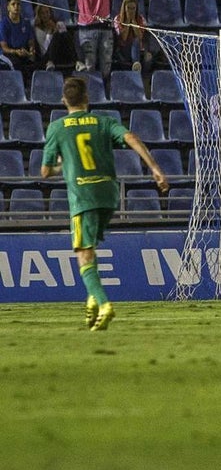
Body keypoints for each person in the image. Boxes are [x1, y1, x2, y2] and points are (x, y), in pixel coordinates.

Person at [40, 76, 169, 329]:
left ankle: (103, 303)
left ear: (63, 100)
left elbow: (45, 172)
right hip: (109, 196)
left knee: (83, 254)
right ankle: (91, 301)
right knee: (91, 248)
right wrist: (154, 168)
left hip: (83, 197)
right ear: (87, 98)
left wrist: (62, 166)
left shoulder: (57, 128)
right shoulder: (103, 122)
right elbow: (131, 137)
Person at [69, 0, 115, 77]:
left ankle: (105, 90)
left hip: (105, 28)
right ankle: (91, 92)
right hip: (87, 29)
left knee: (106, 64)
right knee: (90, 65)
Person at [32, 3, 78, 71]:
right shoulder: (37, 29)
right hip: (46, 57)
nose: (45, 15)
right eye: (42, 13)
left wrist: (55, 28)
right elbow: (45, 48)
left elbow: (66, 42)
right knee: (57, 35)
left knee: (65, 34)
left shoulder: (59, 24)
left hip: (61, 53)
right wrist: (51, 32)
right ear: (39, 15)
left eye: (47, 12)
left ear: (50, 13)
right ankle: (50, 61)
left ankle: (77, 61)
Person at [0, 0, 39, 74]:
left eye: (18, 4)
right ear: (8, 7)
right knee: (17, 65)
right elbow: (4, 48)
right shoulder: (3, 24)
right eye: (13, 4)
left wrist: (31, 51)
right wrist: (15, 51)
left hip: (23, 52)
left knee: (37, 63)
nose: (16, 6)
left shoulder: (26, 23)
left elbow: (31, 42)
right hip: (7, 54)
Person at [111, 0, 148, 72]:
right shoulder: (117, 19)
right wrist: (128, 21)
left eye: (133, 8)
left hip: (138, 49)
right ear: (124, 8)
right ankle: (136, 65)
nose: (131, 11)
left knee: (136, 40)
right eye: (128, 8)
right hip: (123, 49)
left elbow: (140, 37)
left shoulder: (141, 19)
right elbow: (123, 38)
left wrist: (134, 22)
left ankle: (136, 64)